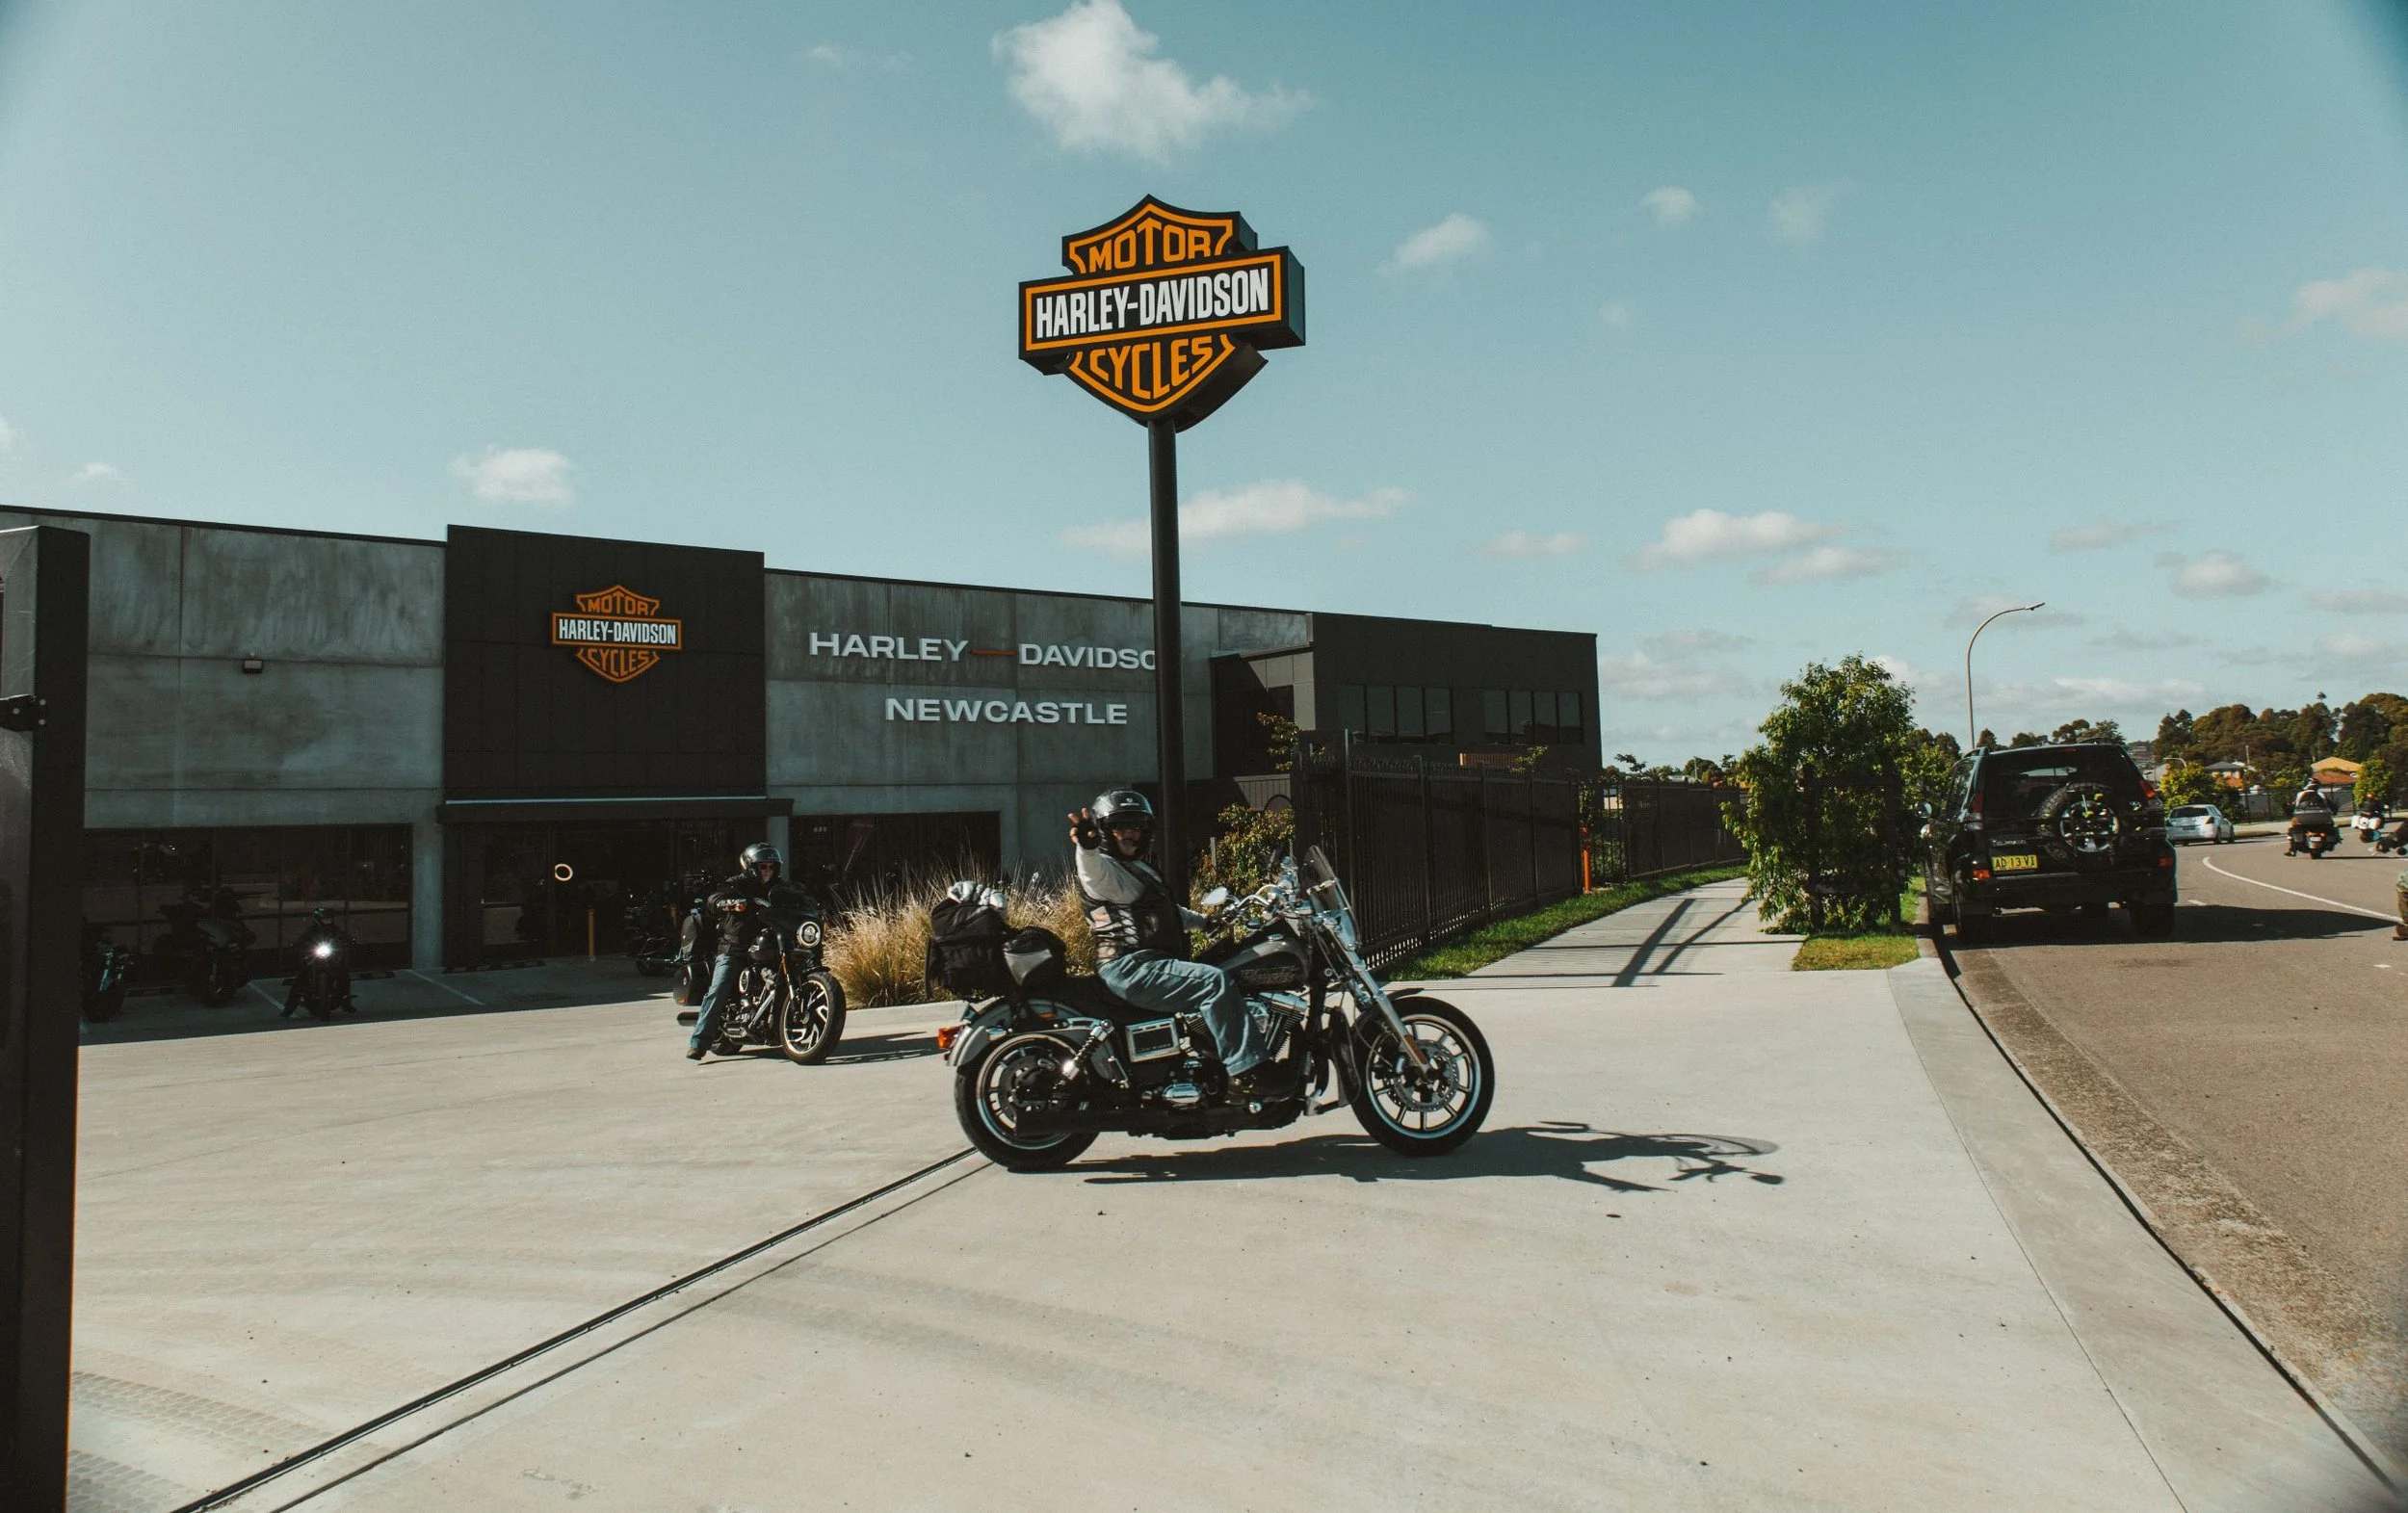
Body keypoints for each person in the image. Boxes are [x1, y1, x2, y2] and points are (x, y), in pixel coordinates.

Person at [1069, 790, 1269, 1088]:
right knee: (1214, 982)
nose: (1130, 834)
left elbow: (1164, 910)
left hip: (1146, 964)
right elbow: (1090, 870)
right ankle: (1248, 1071)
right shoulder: (1105, 872)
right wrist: (1087, 847)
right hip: (1131, 966)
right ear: (1104, 831)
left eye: (1136, 827)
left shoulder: (1137, 867)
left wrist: (1204, 922)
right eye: (1121, 827)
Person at [687, 842, 801, 1060]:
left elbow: (800, 897)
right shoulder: (737, 884)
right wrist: (728, 903)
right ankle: (699, 1042)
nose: (767, 871)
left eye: (771, 866)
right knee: (719, 987)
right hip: (736, 947)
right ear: (751, 867)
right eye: (762, 866)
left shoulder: (781, 889)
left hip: (770, 944)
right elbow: (714, 898)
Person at [282, 906, 355, 1017]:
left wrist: (350, 941)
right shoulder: (312, 931)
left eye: (329, 918)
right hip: (314, 959)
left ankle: (346, 1002)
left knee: (343, 975)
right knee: (301, 978)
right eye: (325, 919)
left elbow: (344, 937)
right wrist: (296, 945)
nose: (327, 921)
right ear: (318, 919)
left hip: (330, 958)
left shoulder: (335, 930)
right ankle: (289, 1008)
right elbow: (302, 939)